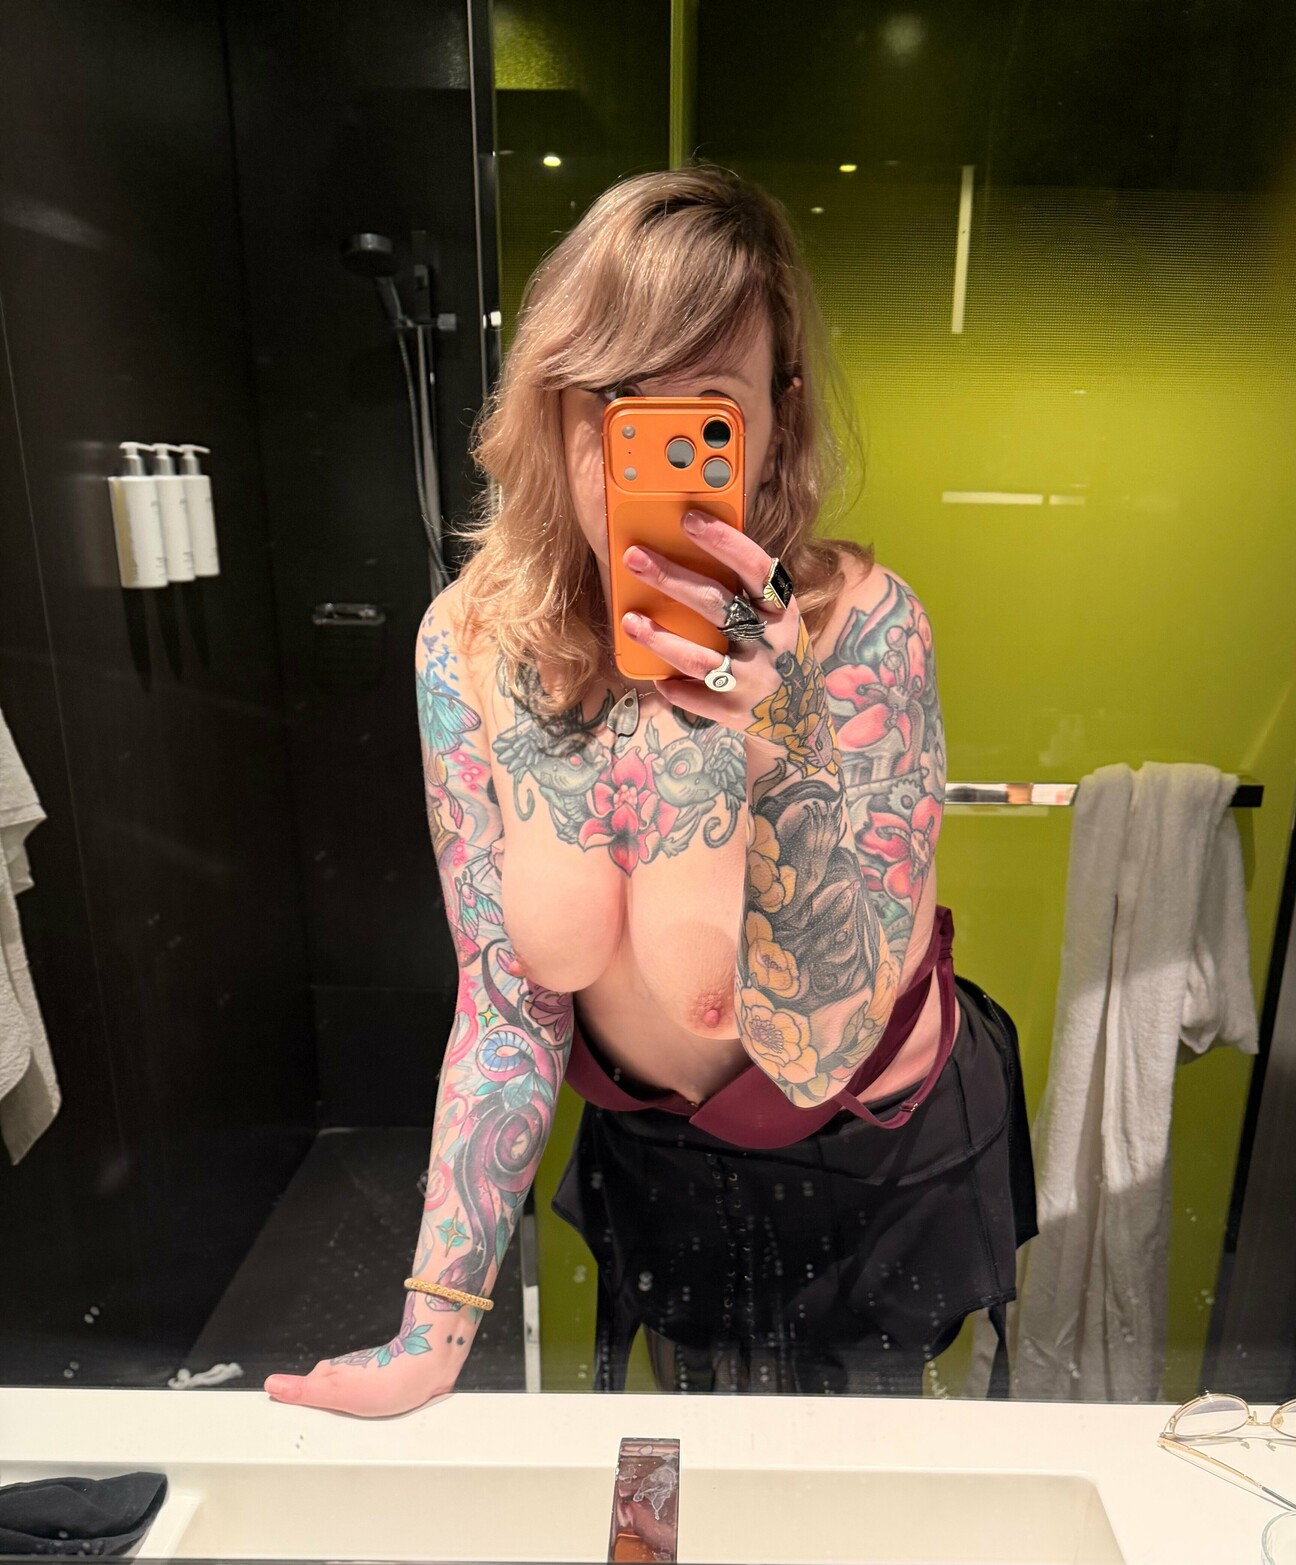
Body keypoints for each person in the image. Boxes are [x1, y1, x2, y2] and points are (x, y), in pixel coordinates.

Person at [264, 166, 1035, 1418]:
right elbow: (507, 1005)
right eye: (619, 405)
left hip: (883, 1169)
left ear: (776, 419)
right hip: (658, 1167)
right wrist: (433, 1328)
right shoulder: (468, 645)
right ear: (555, 405)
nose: (653, 459)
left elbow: (820, 1050)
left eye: (707, 414)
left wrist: (779, 739)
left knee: (875, 1507)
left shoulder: (861, 632)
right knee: (678, 1473)